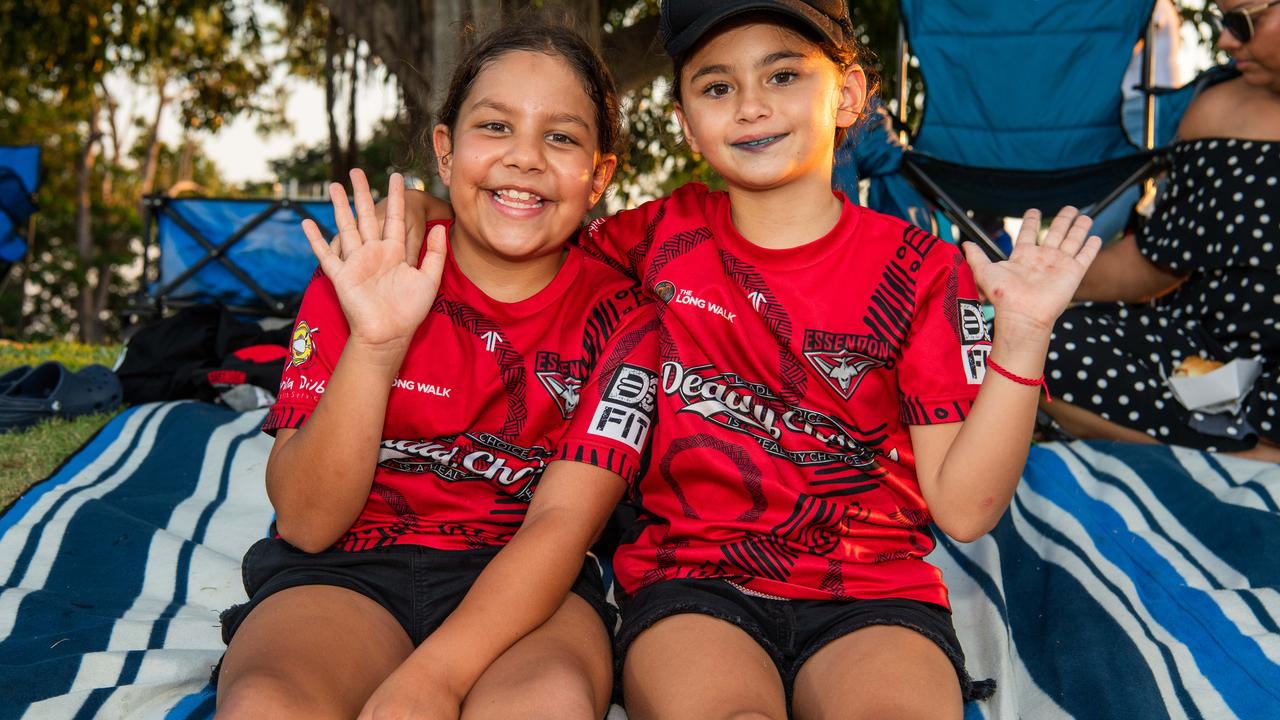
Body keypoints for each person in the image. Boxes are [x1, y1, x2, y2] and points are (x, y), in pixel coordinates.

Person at [388, 2, 1100, 717]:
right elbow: (528, 226)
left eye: (783, 74)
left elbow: (965, 508)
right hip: (692, 587)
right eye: (717, 86)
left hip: (873, 590)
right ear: (686, 121)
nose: (752, 106)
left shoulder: (919, 269)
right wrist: (430, 213)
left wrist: (1023, 337)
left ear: (848, 95)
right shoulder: (652, 239)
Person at [214, 19, 659, 720]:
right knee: (263, 706)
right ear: (446, 153)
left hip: (521, 581)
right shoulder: (367, 267)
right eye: (495, 127)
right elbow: (304, 522)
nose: (525, 158)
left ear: (599, 175)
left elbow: (559, 527)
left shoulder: (621, 316)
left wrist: (432, 682)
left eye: (562, 136)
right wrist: (377, 345)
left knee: (550, 706)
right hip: (344, 571)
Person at [1042, 0, 1280, 462]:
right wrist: (1029, 279)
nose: (1227, 41)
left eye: (1242, 22)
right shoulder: (1217, 110)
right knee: (1046, 348)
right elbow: (1156, 263)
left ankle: (1209, 458)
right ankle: (1246, 461)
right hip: (1209, 353)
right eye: (1220, 22)